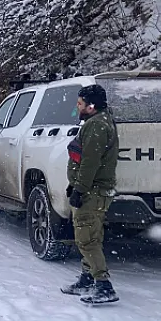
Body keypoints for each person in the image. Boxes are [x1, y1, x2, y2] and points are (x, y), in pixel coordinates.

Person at [61, 84, 120, 304]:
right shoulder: (99, 122)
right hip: (94, 190)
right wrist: (75, 184)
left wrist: (80, 188)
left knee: (86, 239)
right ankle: (87, 279)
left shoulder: (96, 126)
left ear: (91, 106)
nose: (78, 107)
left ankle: (104, 286)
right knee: (91, 235)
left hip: (93, 192)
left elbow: (90, 162)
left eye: (80, 104)